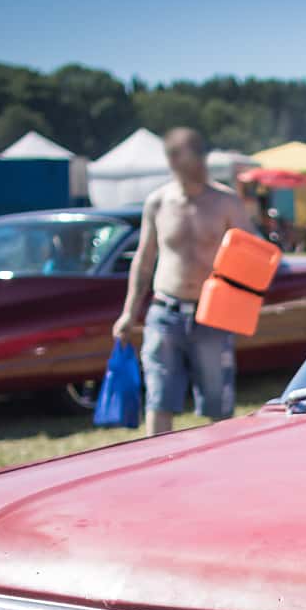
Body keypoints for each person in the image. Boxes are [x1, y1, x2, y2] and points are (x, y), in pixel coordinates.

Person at [110, 126, 260, 438]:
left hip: (213, 316)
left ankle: (220, 466)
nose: (187, 166)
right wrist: (129, 312)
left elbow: (251, 255)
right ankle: (157, 465)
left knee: (218, 404)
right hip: (165, 312)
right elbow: (144, 260)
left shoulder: (226, 203)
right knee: (159, 397)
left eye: (191, 158)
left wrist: (241, 304)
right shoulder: (158, 203)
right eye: (178, 158)